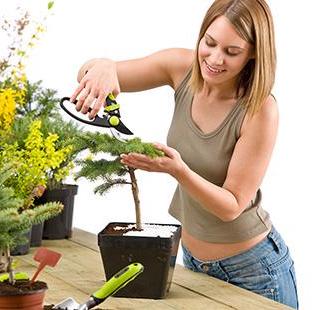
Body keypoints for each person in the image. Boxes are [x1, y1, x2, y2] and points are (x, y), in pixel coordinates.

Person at [69, 0, 298, 308]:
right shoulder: (181, 67)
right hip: (192, 263)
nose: (215, 59)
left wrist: (178, 170)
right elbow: (88, 71)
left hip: (254, 271)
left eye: (232, 52)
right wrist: (103, 66)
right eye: (210, 43)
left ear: (254, 52)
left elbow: (231, 206)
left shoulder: (260, 109)